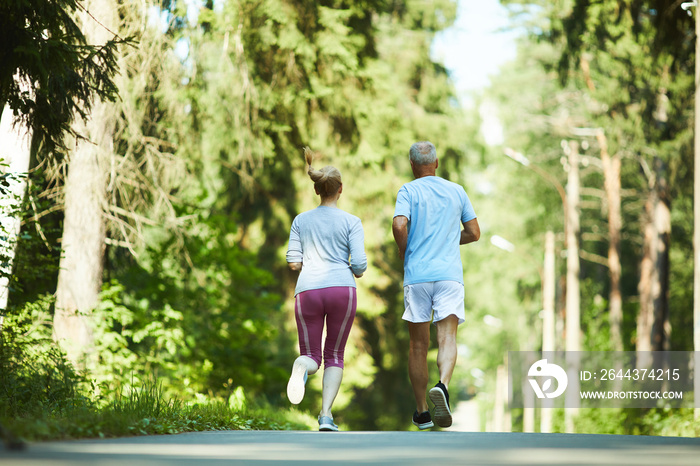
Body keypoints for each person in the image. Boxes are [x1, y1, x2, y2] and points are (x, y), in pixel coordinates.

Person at [392, 141, 480, 430]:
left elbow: (399, 224)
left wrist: (406, 250)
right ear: (437, 163)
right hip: (448, 276)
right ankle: (442, 385)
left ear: (412, 165)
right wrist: (447, 240)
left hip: (417, 276)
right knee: (448, 338)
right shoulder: (457, 191)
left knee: (418, 346)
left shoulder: (408, 190)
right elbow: (474, 233)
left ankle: (421, 413)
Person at [285, 147, 367, 432]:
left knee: (311, 355)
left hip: (308, 290)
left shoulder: (300, 220)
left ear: (317, 190)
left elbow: (293, 262)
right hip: (341, 290)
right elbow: (359, 266)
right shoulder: (351, 222)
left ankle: (301, 366)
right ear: (340, 189)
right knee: (335, 354)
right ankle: (326, 416)